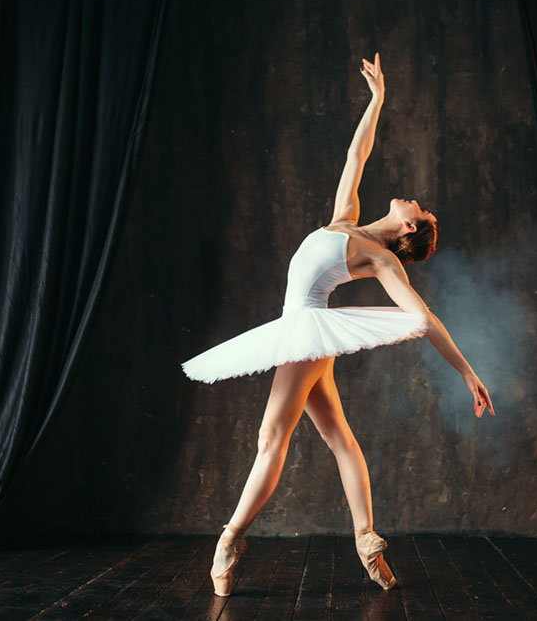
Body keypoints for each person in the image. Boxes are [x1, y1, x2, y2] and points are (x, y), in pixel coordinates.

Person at [181, 52, 495, 596]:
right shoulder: (345, 220)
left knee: (270, 437)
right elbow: (357, 153)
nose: (415, 199)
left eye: (421, 207)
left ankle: (230, 538)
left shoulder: (382, 259)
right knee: (340, 440)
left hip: (306, 330)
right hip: (304, 329)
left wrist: (466, 372)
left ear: (410, 225)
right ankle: (366, 539)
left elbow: (424, 318)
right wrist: (377, 100)